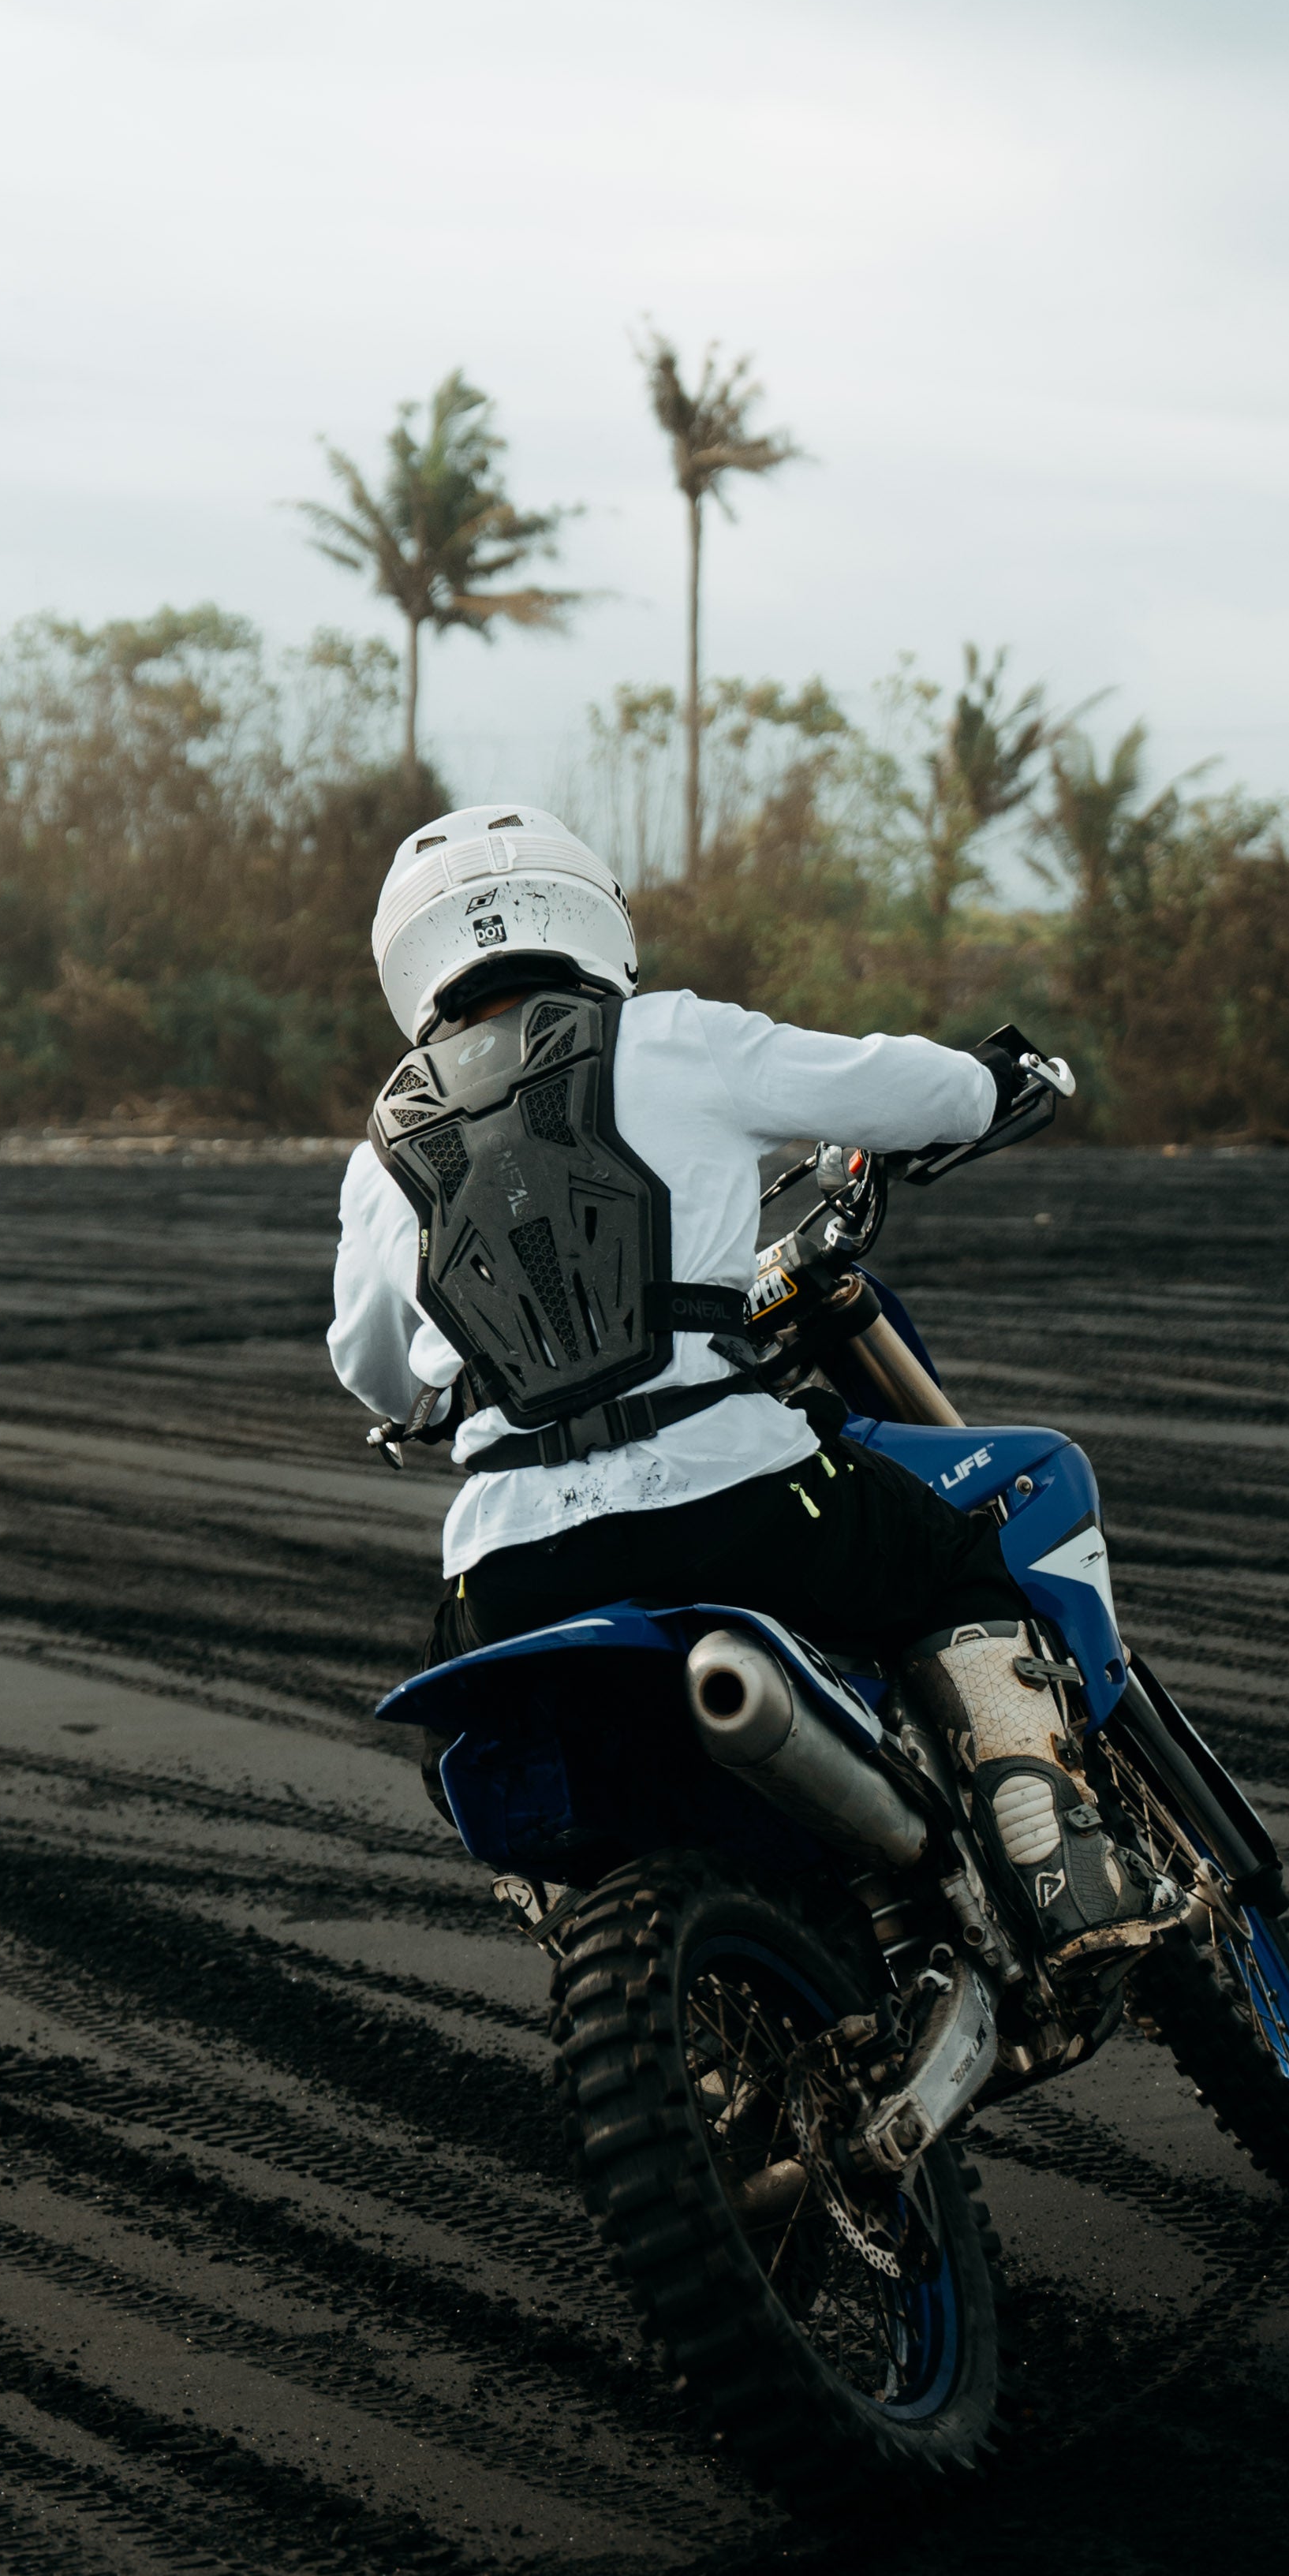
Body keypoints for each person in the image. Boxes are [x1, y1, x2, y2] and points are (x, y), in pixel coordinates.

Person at [326, 802, 1121, 1939]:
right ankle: (1039, 1834)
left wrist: (434, 1397)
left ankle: (578, 1917)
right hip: (730, 1500)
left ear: (410, 962)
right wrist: (991, 1086)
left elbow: (371, 1368)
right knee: (959, 1560)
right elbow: (897, 1085)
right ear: (591, 913)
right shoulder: (674, 1035)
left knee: (479, 1728)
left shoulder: (384, 1145)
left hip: (506, 1567)